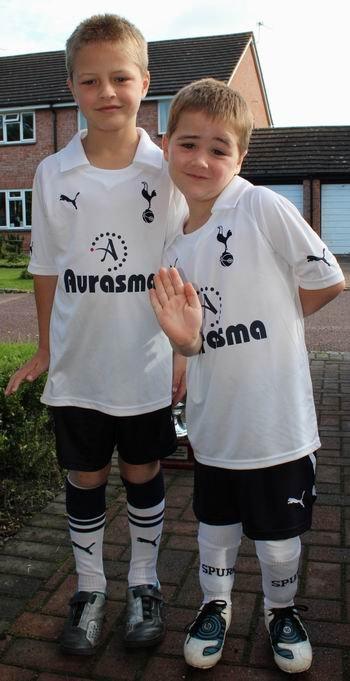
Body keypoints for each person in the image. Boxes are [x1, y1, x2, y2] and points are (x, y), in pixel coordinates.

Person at [149, 78, 345, 674]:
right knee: (215, 528)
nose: (201, 159)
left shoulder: (260, 205)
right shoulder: (174, 249)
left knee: (280, 538)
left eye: (218, 148)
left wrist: (281, 317)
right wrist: (185, 347)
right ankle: (215, 605)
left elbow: (329, 278)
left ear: (240, 157)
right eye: (188, 144)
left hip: (277, 423)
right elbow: (191, 336)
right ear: (166, 147)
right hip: (216, 426)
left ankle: (282, 612)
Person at [5, 13, 186, 655]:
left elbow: (182, 267)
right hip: (79, 367)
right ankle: (90, 586)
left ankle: (143, 583)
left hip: (143, 362)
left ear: (145, 81)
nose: (106, 92)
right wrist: (48, 349)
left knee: (141, 471)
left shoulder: (168, 172)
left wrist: (185, 355)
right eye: (89, 81)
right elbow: (47, 266)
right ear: (72, 87)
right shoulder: (53, 173)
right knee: (84, 479)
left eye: (119, 78)